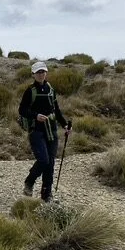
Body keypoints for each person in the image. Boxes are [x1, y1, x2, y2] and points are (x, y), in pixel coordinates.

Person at [18, 61, 71, 202]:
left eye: (43, 72)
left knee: (50, 163)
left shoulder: (50, 89)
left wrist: (65, 125)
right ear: (33, 74)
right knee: (43, 160)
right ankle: (29, 181)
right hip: (36, 130)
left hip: (51, 129)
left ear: (46, 73)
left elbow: (56, 110)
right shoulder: (30, 91)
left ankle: (46, 195)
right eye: (38, 72)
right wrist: (35, 116)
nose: (41, 74)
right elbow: (22, 110)